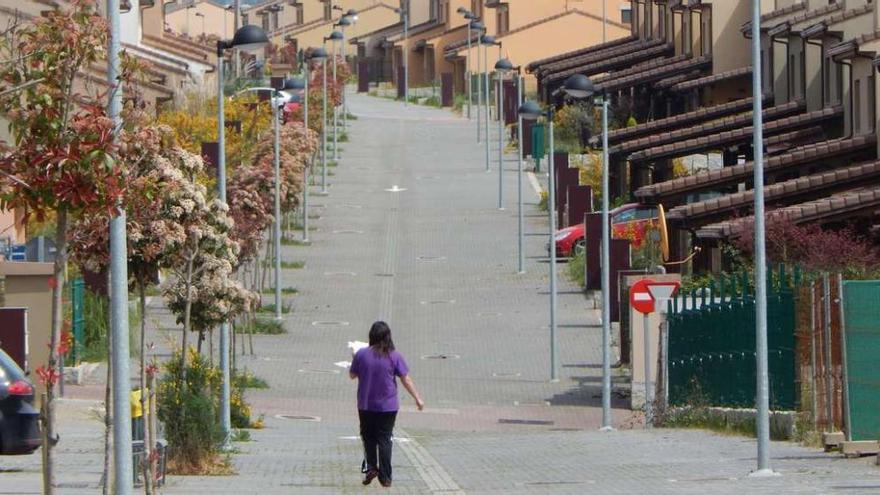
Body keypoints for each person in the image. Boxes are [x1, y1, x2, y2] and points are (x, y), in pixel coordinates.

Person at [350, 321, 424, 487]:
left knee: (368, 436)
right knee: (385, 438)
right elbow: (406, 379)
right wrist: (417, 398)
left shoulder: (361, 354)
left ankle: (371, 467)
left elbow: (352, 375)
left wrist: (355, 359)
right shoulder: (394, 356)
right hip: (388, 406)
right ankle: (386, 477)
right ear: (388, 337)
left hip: (366, 404)